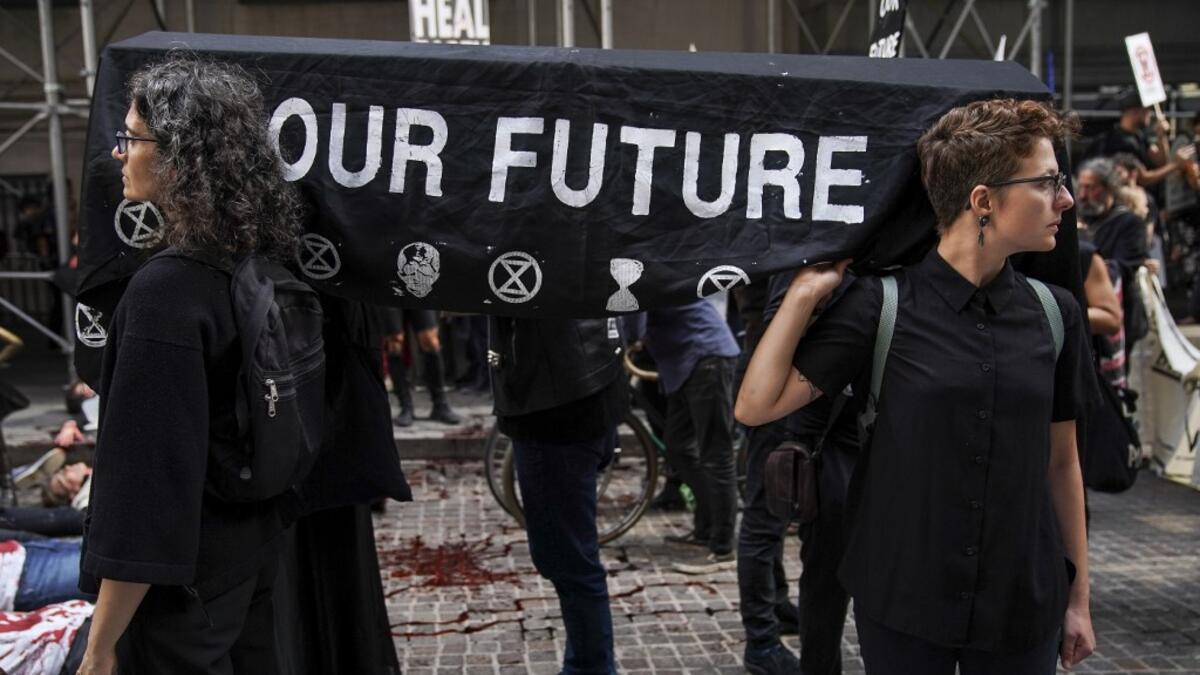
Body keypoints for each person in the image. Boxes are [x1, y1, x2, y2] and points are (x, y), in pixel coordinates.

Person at [737, 98, 1094, 674]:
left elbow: (1062, 463)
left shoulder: (1057, 314)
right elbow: (756, 406)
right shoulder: (881, 306)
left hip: (1021, 603)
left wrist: (1078, 599)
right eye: (1048, 182)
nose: (1066, 199)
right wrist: (804, 294)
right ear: (983, 200)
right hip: (905, 599)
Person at [78, 56, 302, 675]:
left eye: (133, 137)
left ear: (180, 156)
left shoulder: (165, 294)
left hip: (181, 594)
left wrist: (99, 648)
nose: (120, 153)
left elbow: (145, 488)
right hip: (244, 558)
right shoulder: (239, 263)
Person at [489, 316, 625, 674]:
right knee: (573, 557)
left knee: (569, 560)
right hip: (590, 391)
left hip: (557, 406)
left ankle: (590, 668)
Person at [640, 300, 740, 574]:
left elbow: (632, 321)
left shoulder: (639, 265)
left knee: (716, 453)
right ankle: (706, 527)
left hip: (705, 354)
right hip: (686, 361)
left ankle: (722, 547)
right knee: (679, 447)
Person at [1078, 157, 1151, 358]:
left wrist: (1089, 259)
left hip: (1121, 313)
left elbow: (1125, 266)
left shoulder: (1129, 223)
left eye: (1091, 188)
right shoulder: (1077, 222)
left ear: (1109, 188)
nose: (1083, 195)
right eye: (1081, 187)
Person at [382, 308, 461, 426]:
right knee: (394, 343)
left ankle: (440, 404)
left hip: (419, 292)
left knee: (430, 340)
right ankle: (406, 406)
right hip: (388, 293)